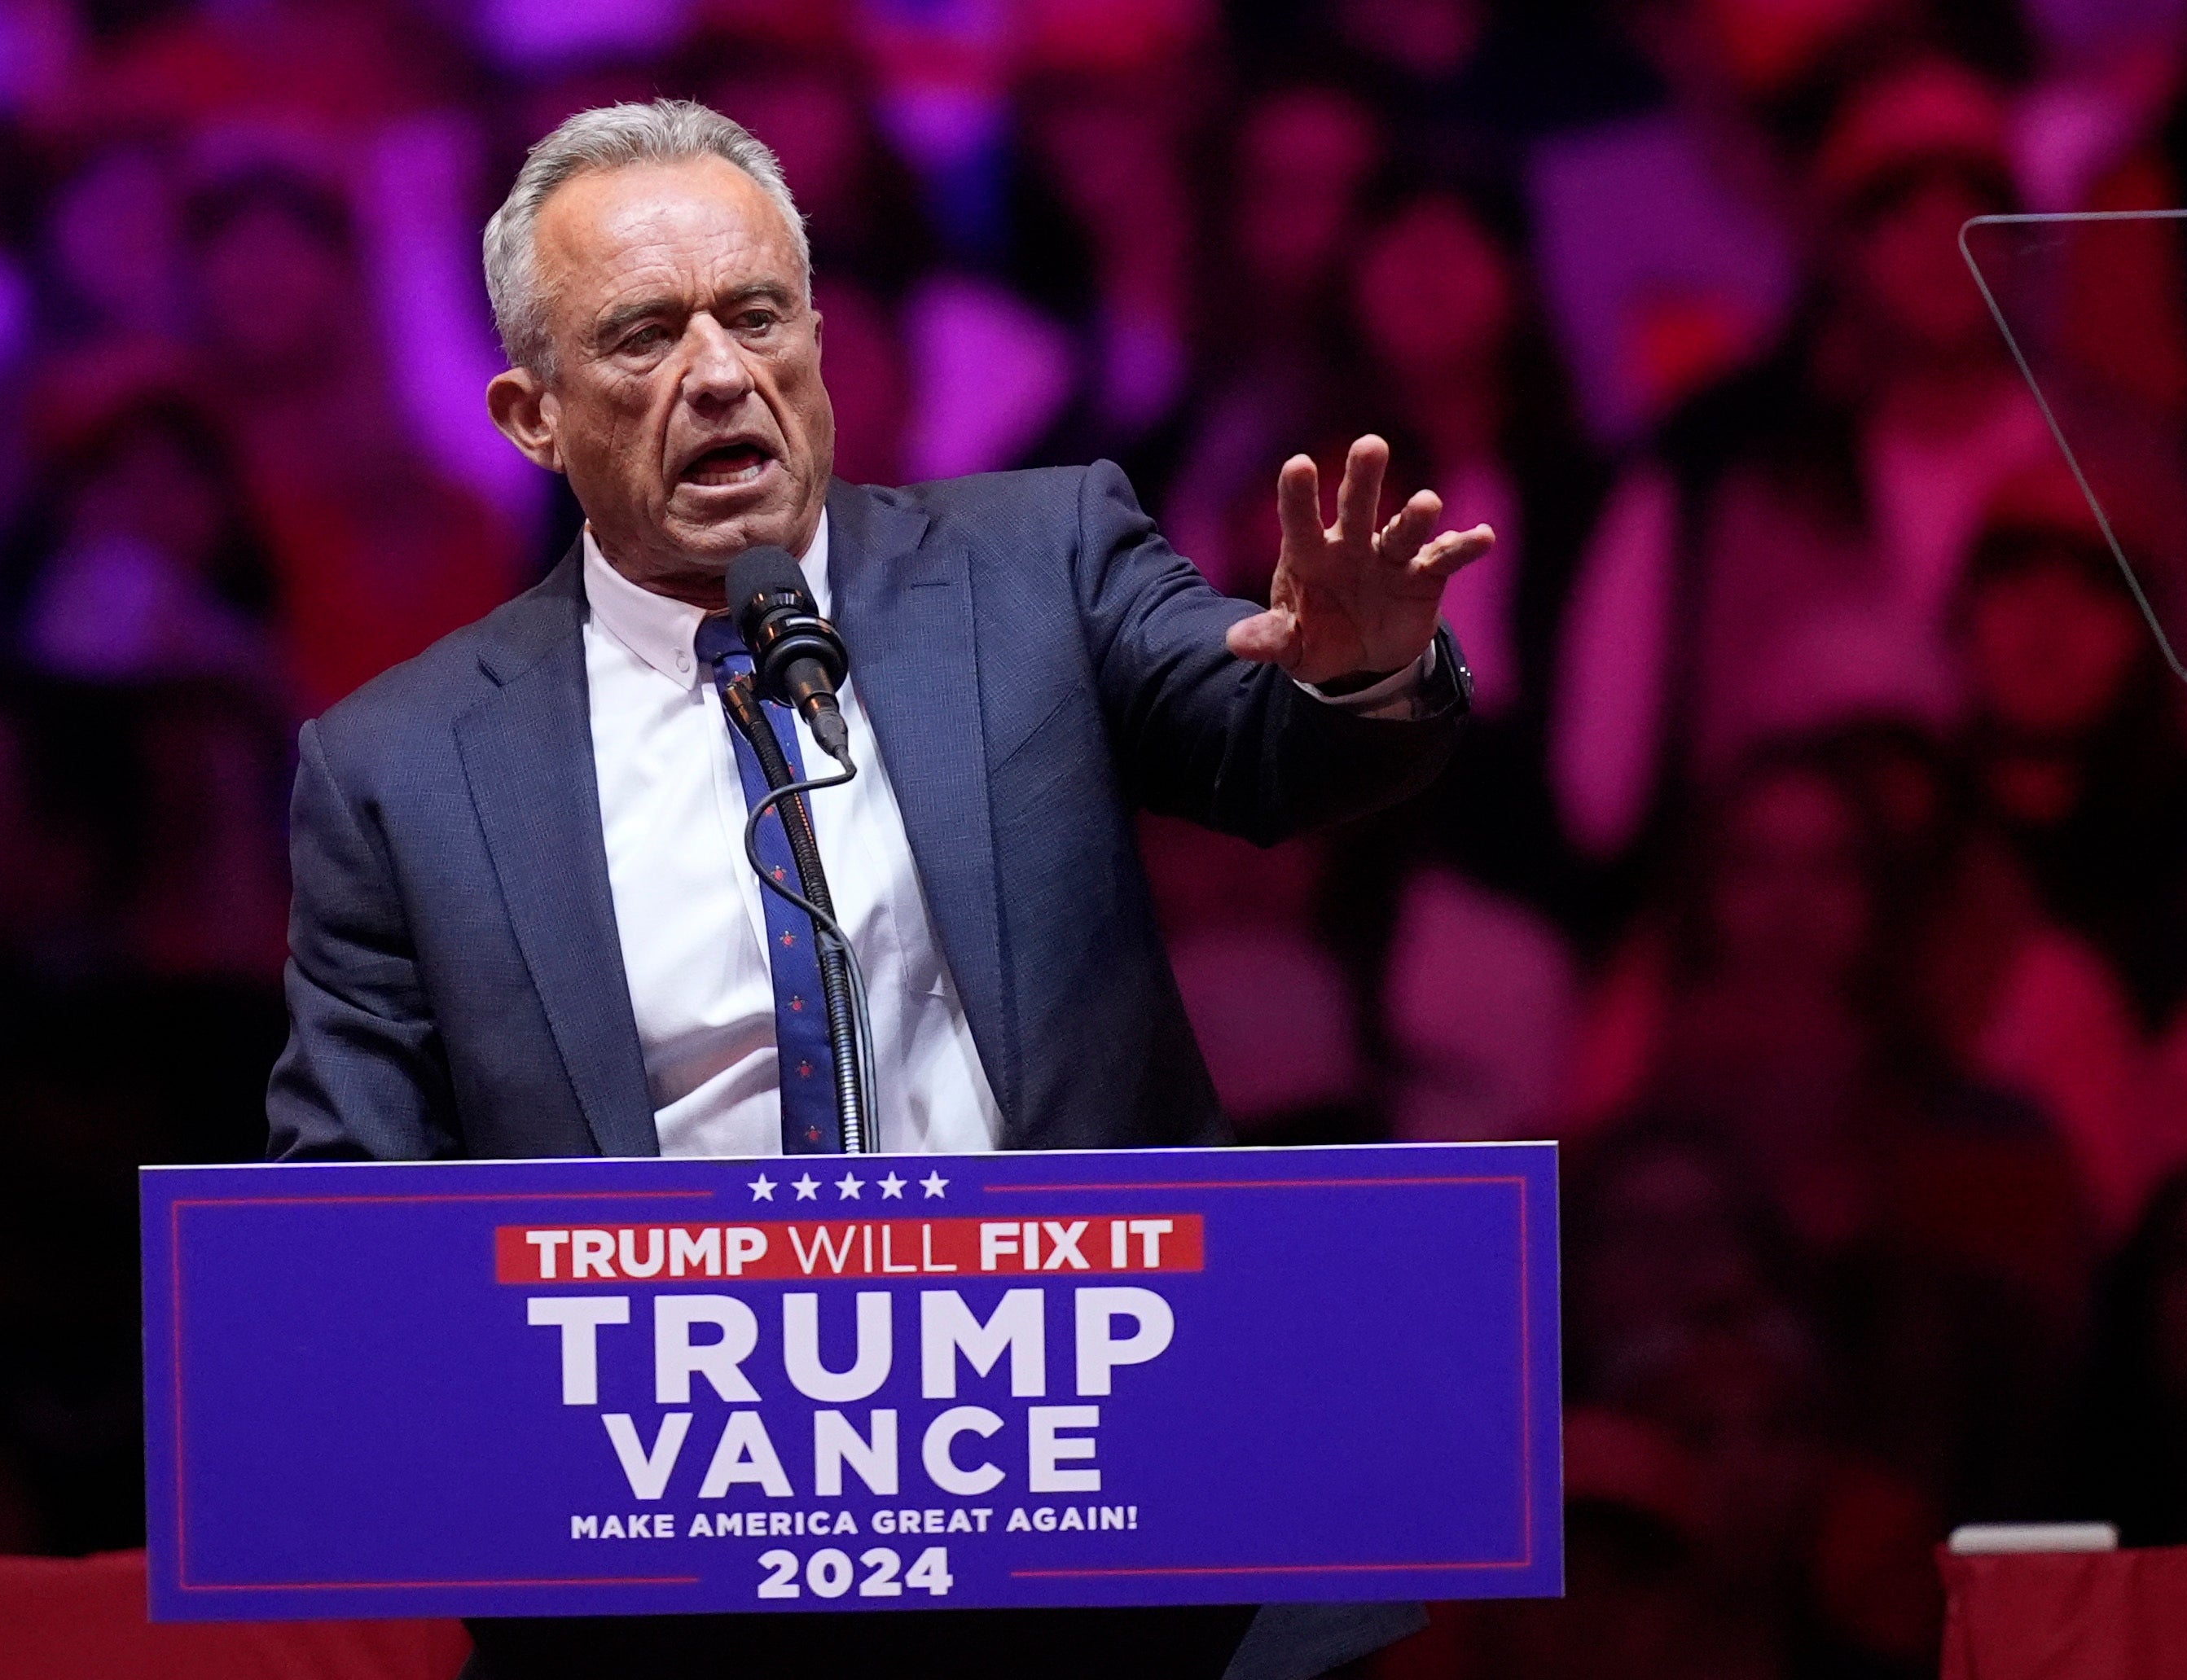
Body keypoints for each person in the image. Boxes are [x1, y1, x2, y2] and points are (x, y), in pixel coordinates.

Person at [266, 99, 1487, 1679]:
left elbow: (1263, 736)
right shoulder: (401, 769)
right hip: (672, 1582)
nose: (719, 372)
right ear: (531, 414)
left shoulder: (1036, 565)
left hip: (1108, 1538)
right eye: (643, 335)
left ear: (820, 342)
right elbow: (353, 1233)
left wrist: (1354, 663)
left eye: (756, 313)